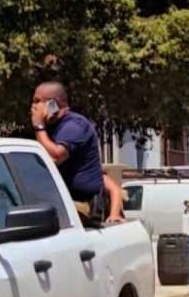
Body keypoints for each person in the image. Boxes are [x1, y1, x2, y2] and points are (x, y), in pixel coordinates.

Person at [30, 82, 123, 225]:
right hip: (65, 203)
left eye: (37, 101)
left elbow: (54, 157)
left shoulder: (75, 125)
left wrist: (39, 126)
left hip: (84, 207)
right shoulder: (52, 130)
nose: (33, 107)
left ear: (52, 104)